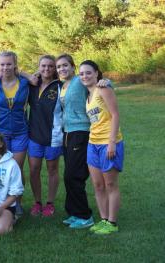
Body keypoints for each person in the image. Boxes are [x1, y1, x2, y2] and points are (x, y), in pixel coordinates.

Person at [79, 60, 124, 234]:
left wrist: (112, 141)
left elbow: (115, 114)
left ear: (97, 73)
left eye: (88, 72)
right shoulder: (88, 95)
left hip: (108, 142)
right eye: (81, 73)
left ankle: (112, 223)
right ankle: (104, 219)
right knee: (98, 185)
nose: (85, 76)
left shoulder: (103, 88)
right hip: (93, 143)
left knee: (110, 184)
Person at [56, 53, 94, 229]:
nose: (62, 69)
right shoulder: (64, 85)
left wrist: (105, 82)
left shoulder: (80, 80)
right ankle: (73, 212)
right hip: (67, 133)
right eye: (59, 67)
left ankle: (85, 216)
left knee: (75, 175)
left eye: (65, 65)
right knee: (68, 175)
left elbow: (99, 82)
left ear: (73, 67)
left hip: (80, 131)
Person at [0, 51, 29, 217]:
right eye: (2, 64)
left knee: (16, 170)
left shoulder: (26, 83)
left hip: (20, 132)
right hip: (0, 133)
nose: (5, 67)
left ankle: (17, 203)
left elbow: (46, 77)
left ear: (15, 65)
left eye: (8, 64)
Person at [27, 55, 63, 217]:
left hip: (53, 136)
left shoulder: (61, 86)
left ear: (55, 68)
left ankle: (49, 203)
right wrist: (29, 75)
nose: (46, 69)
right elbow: (15, 71)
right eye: (43, 66)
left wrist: (105, 82)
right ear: (39, 67)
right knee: (34, 169)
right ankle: (37, 202)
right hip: (34, 135)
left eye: (50, 66)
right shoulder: (32, 84)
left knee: (52, 169)